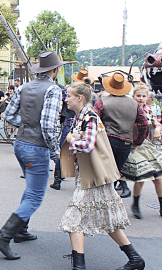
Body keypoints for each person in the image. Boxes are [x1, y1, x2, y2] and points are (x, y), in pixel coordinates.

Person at [58, 82, 144, 270]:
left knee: (73, 221)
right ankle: (135, 259)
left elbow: (87, 145)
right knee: (108, 220)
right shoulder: (83, 116)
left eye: (68, 96)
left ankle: (79, 266)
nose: (66, 99)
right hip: (93, 177)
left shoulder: (90, 117)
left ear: (79, 98)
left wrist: (71, 139)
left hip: (94, 179)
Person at [0, 51, 69, 260]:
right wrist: (55, 148)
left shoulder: (23, 87)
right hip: (37, 147)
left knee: (31, 188)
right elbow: (47, 124)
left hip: (21, 143)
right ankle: (3, 237)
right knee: (35, 196)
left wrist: (26, 125)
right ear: (55, 69)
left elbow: (8, 115)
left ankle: (20, 230)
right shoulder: (53, 90)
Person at [121, 84, 162, 221]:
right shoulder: (130, 110)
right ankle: (136, 205)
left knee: (158, 178)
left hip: (147, 146)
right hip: (135, 145)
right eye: (139, 96)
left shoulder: (148, 111)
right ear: (133, 97)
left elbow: (157, 124)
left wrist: (156, 128)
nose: (141, 98)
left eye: (144, 96)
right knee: (141, 177)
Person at [93, 72, 149, 199]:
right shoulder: (134, 104)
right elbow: (144, 124)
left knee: (106, 173)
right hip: (126, 143)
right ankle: (111, 199)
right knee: (117, 172)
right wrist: (137, 141)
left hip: (108, 141)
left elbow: (93, 121)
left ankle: (105, 200)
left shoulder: (102, 102)